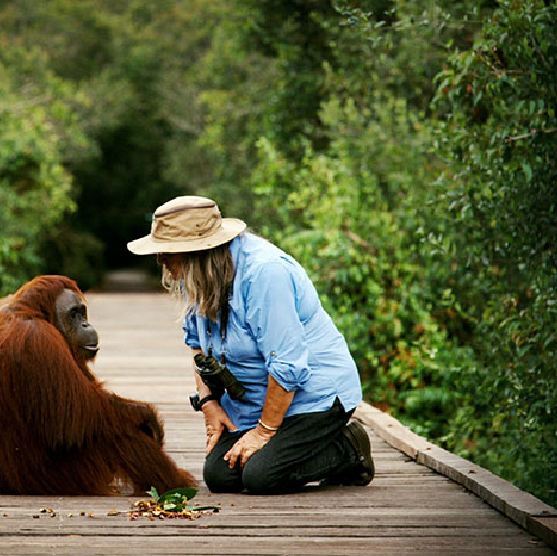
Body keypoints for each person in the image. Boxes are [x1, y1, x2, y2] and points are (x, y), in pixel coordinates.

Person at [127, 195, 374, 493]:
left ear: (196, 252)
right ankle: (283, 444)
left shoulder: (265, 273)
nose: (160, 260)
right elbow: (196, 345)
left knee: (261, 476)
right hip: (256, 400)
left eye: (166, 251)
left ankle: (349, 446)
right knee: (220, 476)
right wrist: (209, 404)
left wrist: (262, 433)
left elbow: (288, 366)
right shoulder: (196, 274)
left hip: (314, 397)